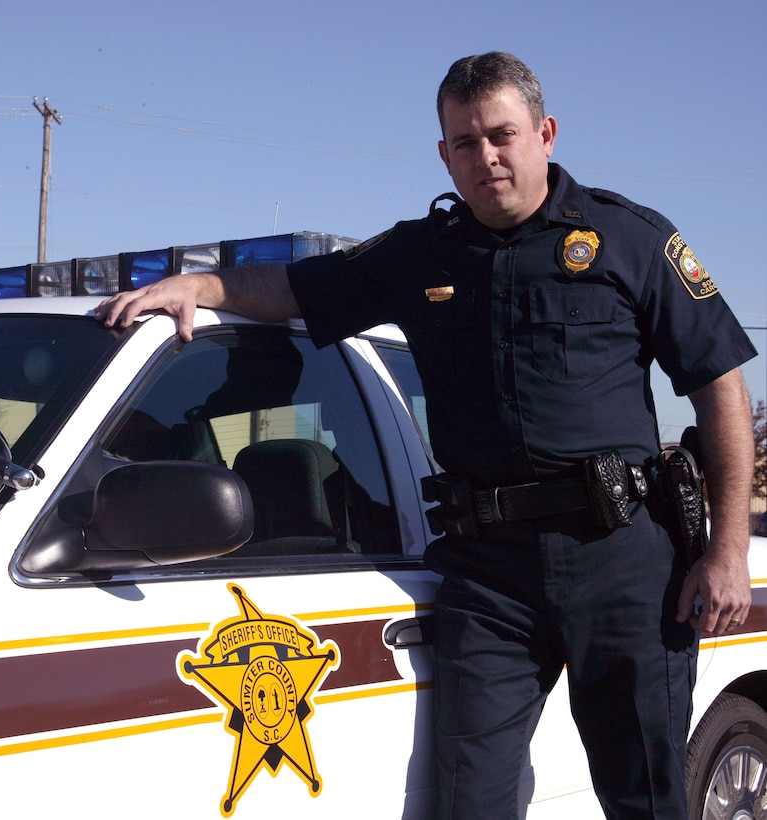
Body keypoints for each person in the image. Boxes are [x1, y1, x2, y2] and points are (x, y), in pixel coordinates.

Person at [96, 52, 757, 818]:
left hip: (621, 562)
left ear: (544, 133)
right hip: (489, 578)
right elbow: (295, 288)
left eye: (501, 135)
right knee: (464, 804)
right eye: (465, 143)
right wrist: (201, 285)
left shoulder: (629, 240)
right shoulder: (420, 254)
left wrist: (727, 549)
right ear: (443, 153)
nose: (487, 158)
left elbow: (720, 390)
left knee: (645, 798)